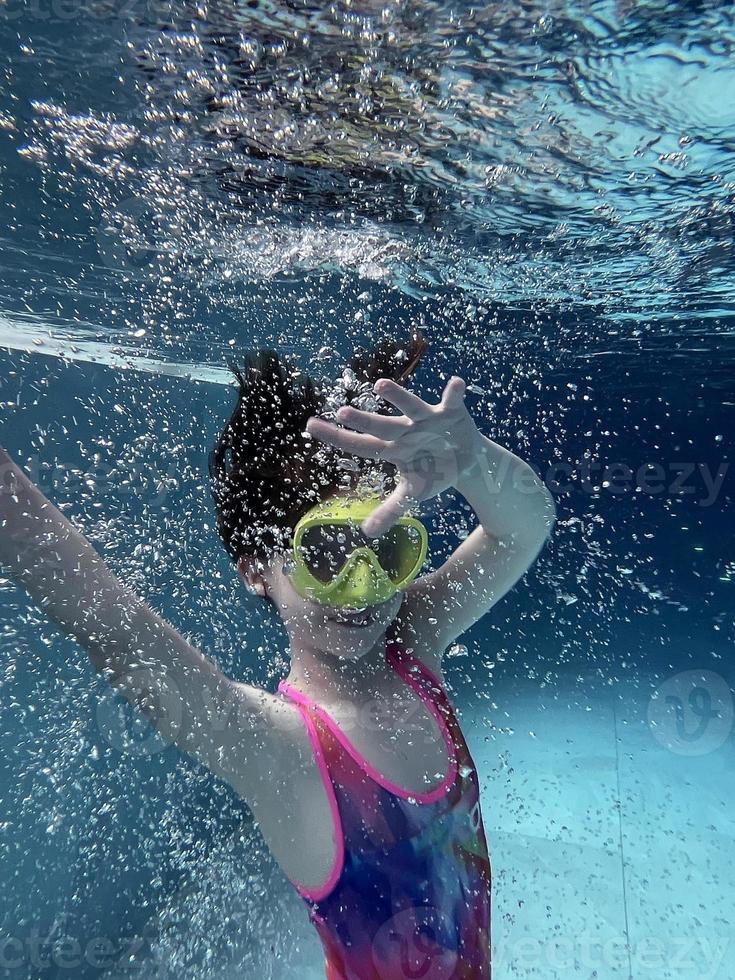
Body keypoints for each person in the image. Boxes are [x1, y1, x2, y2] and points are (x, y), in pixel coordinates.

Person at [0, 331, 555, 979]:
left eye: (387, 551)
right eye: (325, 555)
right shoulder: (277, 748)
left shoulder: (412, 644)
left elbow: (523, 525)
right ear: (254, 569)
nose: (364, 589)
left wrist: (474, 461)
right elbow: (114, 628)